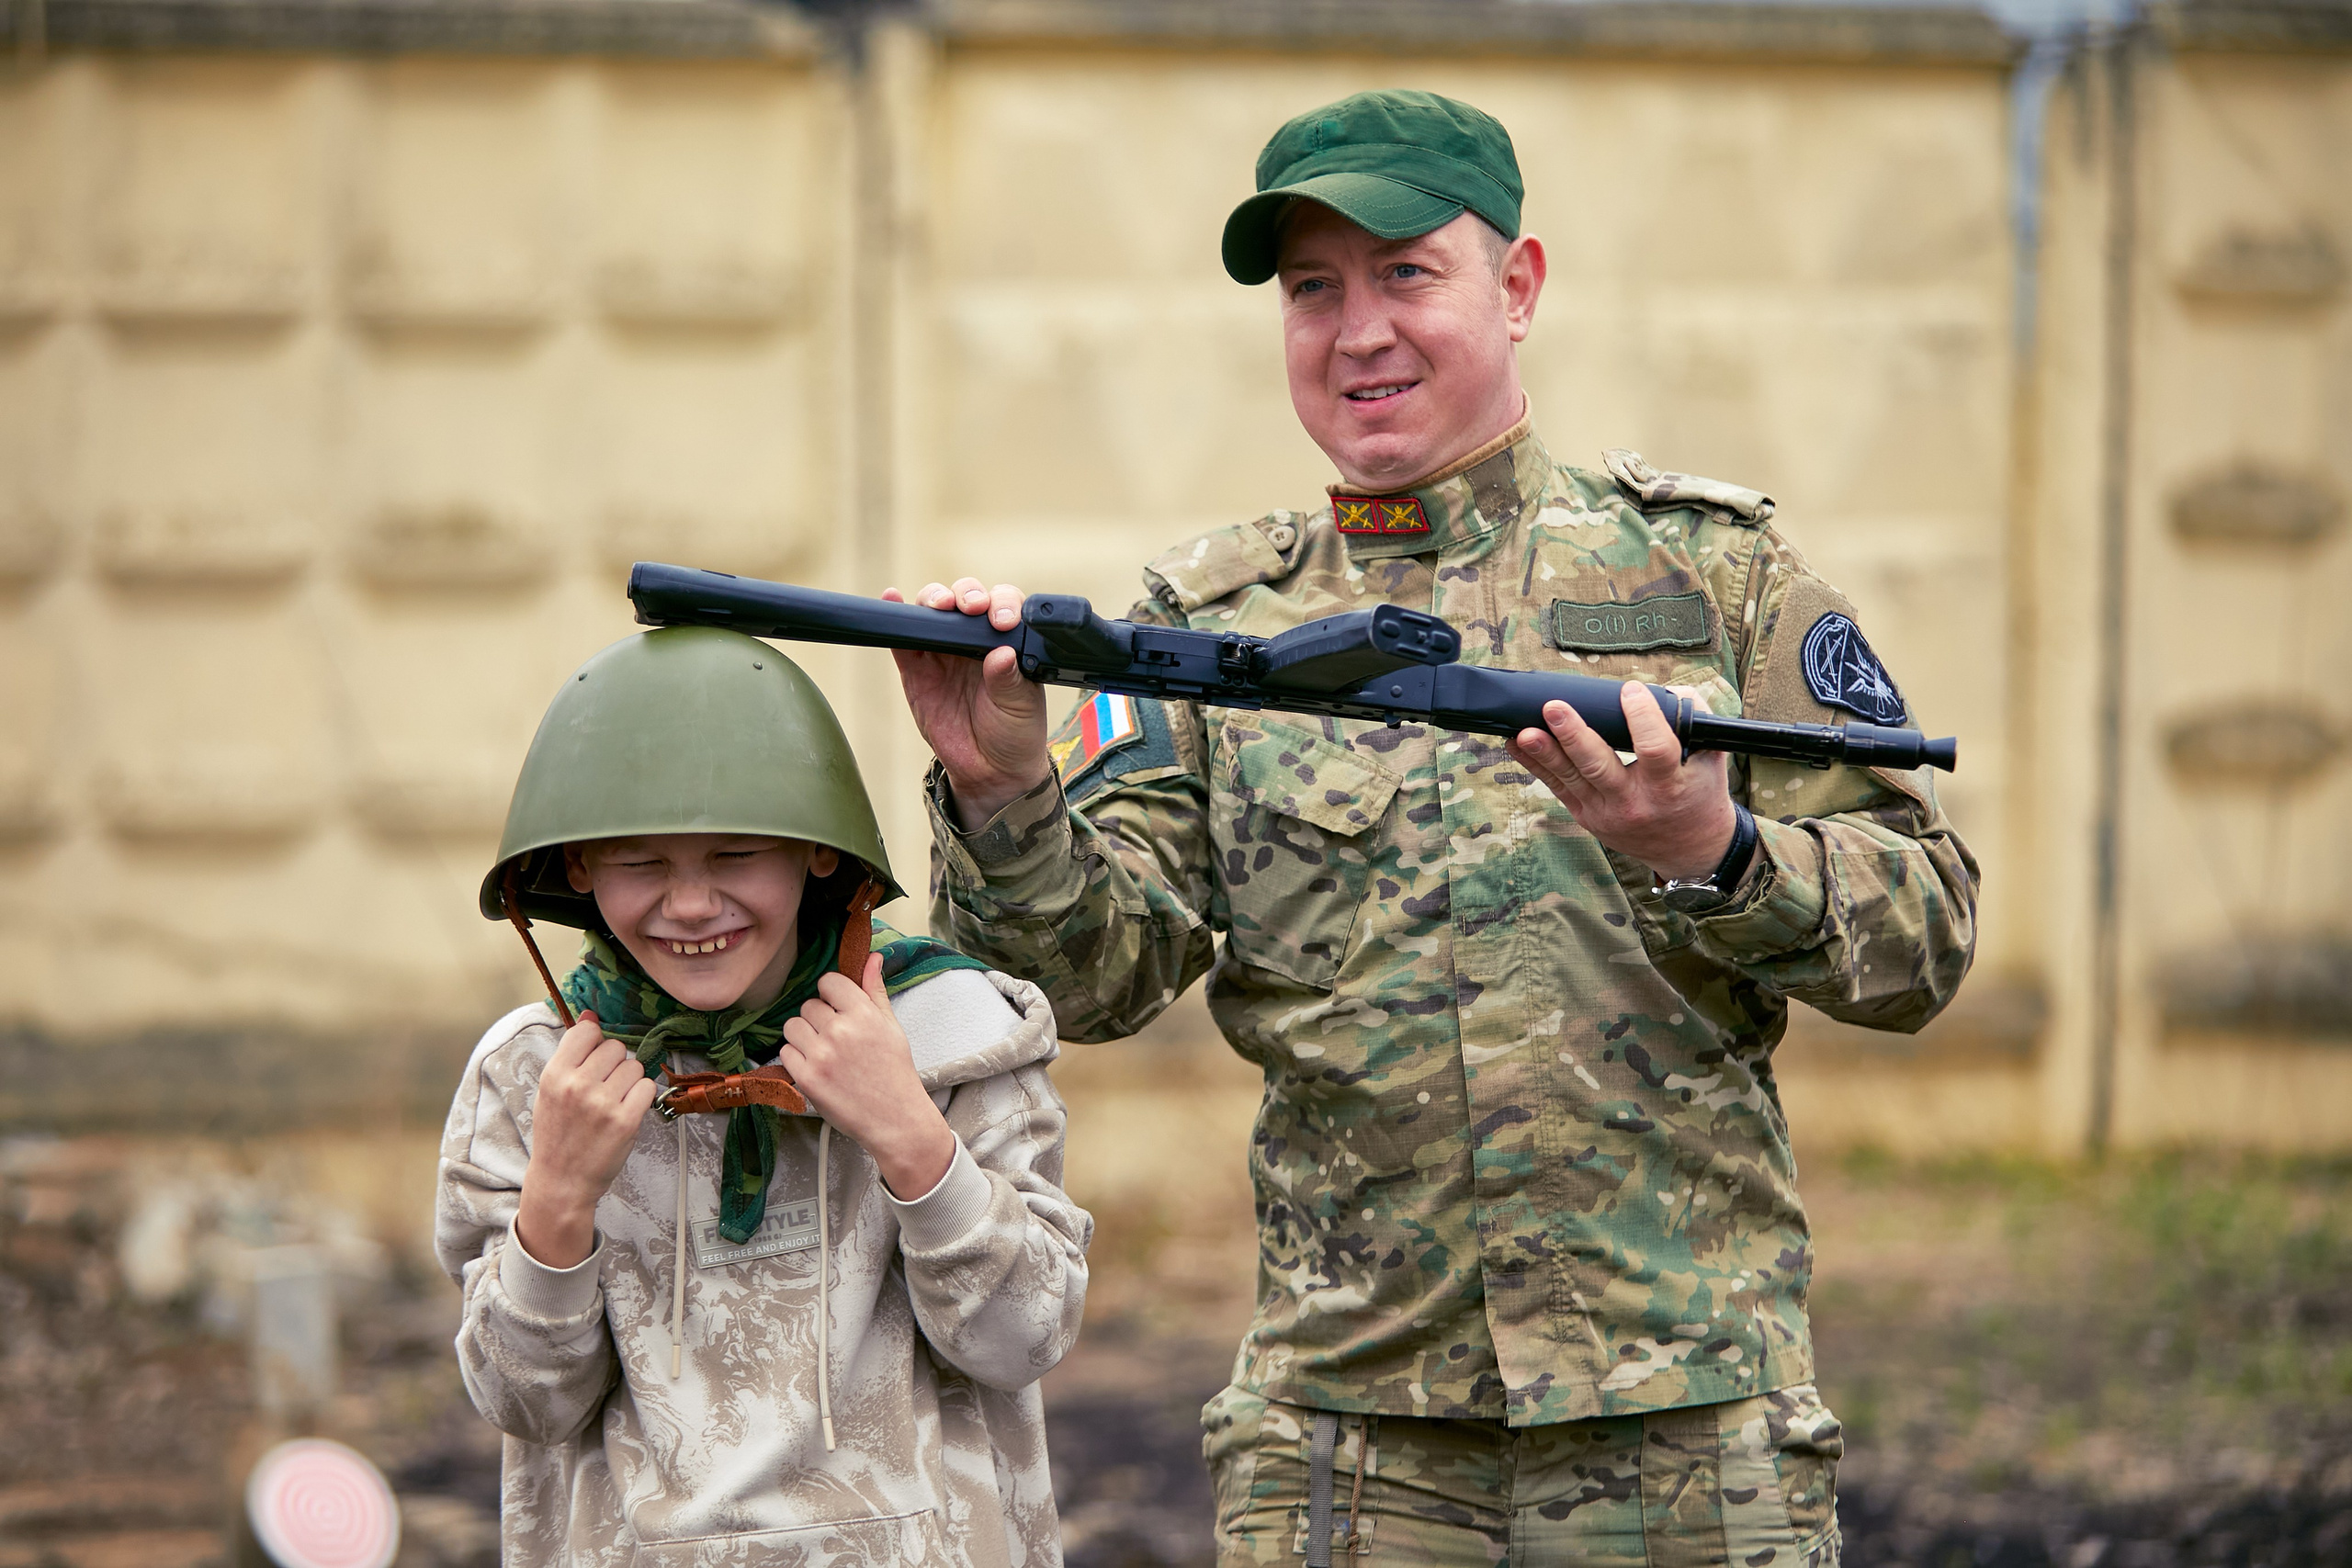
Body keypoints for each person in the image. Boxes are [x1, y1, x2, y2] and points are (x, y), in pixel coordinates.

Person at [894, 90, 1977, 1565]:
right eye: (1312, 289)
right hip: (1348, 1447)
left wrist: (1713, 854)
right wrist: (1003, 789)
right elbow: (1090, 980)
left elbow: (1926, 931)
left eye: (1407, 273)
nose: (1358, 332)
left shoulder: (1708, 574)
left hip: (1684, 1430)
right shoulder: (1209, 626)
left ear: (1517, 287)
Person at [435, 625, 1091, 1566]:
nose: (692, 905)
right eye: (641, 863)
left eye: (735, 855)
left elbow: (1024, 1338)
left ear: (817, 856)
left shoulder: (949, 1031)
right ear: (576, 869)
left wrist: (909, 1137)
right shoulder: (535, 1077)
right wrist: (558, 1201)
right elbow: (526, 1404)